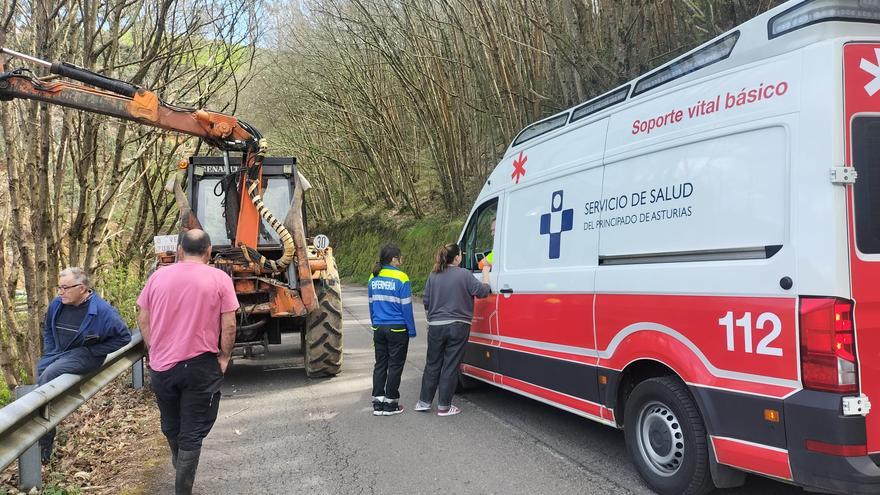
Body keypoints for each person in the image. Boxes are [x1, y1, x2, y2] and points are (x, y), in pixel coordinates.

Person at [137, 229, 238, 495]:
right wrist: (225, 356)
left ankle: (179, 460)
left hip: (162, 367)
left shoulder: (157, 277)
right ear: (208, 252)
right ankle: (183, 486)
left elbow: (143, 317)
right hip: (200, 366)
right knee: (192, 430)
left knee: (171, 424)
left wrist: (154, 347)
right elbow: (228, 324)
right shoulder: (220, 278)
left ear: (180, 250)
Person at [37, 267, 131, 463]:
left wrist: (92, 351)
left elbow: (123, 338)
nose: (60, 292)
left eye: (65, 288)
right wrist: (51, 350)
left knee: (48, 377)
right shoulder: (58, 304)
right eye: (59, 287)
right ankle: (43, 429)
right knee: (41, 376)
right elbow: (48, 328)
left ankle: (44, 444)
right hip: (58, 353)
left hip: (85, 355)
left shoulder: (103, 312)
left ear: (81, 288)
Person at [415, 243, 490, 416]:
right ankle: (444, 407)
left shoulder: (434, 275)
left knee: (432, 364)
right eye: (461, 254)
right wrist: (485, 273)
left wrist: (431, 319)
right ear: (456, 257)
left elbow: (426, 301)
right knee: (450, 365)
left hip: (435, 326)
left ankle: (423, 402)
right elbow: (482, 292)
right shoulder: (464, 274)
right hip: (458, 325)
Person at [368, 244, 417, 416]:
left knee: (380, 364)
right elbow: (406, 308)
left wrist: (375, 324)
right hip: (397, 329)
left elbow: (371, 305)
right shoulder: (402, 278)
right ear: (394, 259)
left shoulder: (373, 277)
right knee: (395, 366)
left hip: (379, 328)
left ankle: (378, 402)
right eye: (399, 257)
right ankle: (391, 404)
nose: (401, 260)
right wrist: (411, 330)